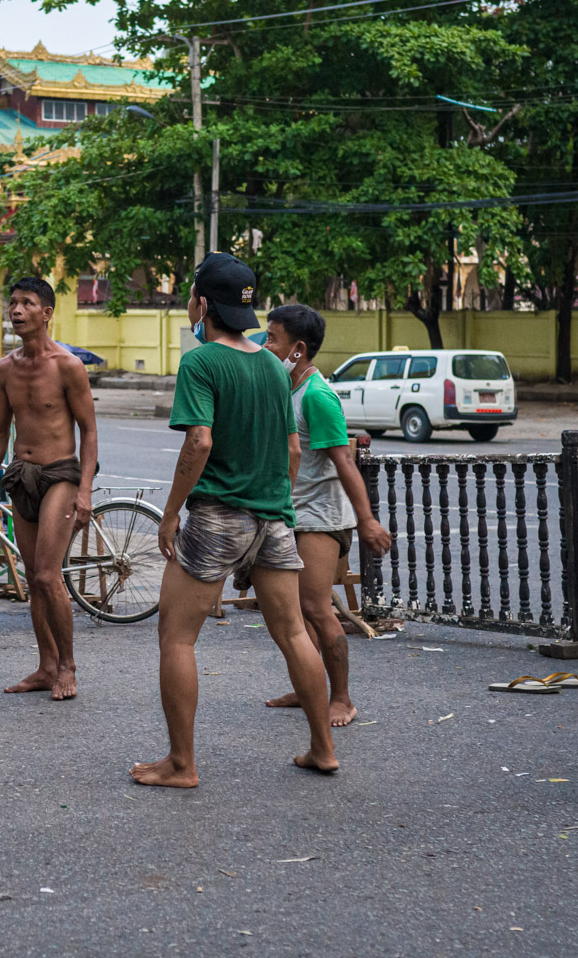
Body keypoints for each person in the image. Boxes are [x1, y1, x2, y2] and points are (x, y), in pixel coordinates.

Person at [133, 252, 336, 788]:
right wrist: (275, 504)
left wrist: (171, 511)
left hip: (218, 518)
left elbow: (199, 440)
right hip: (273, 521)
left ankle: (181, 763)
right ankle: (322, 748)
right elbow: (293, 451)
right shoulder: (274, 365)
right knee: (294, 632)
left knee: (176, 639)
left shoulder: (201, 363)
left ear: (202, 303)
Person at [259, 303, 392, 729]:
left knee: (316, 609)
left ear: (297, 350)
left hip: (321, 519)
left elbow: (344, 461)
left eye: (273, 338)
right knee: (290, 614)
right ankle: (307, 686)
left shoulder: (318, 396)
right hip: (291, 514)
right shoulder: (287, 388)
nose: (265, 344)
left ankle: (343, 699)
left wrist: (367, 520)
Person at [0, 276, 99, 701]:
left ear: (47, 312)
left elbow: (89, 430)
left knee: (47, 573)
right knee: (33, 578)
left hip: (60, 473)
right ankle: (45, 665)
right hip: (20, 475)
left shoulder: (67, 366)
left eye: (27, 304)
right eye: (13, 303)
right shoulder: (5, 369)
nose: (17, 311)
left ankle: (68, 667)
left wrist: (86, 491)